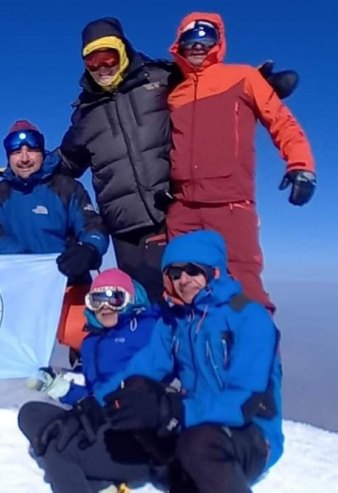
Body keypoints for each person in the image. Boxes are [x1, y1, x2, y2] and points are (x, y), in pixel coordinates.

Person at [57, 17, 300, 302]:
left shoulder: (160, 79)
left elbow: (203, 85)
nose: (103, 67)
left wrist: (256, 84)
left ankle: (239, 339)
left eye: (108, 57)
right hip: (125, 230)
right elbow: (66, 163)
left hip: (167, 215)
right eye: (93, 61)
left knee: (193, 297)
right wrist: (26, 168)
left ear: (123, 51)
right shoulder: (85, 114)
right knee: (144, 309)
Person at [93, 230, 282, 493]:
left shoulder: (249, 316)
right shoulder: (177, 319)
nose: (183, 280)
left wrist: (176, 410)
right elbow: (140, 369)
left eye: (192, 270)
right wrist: (95, 404)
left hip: (250, 432)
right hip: (196, 424)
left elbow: (245, 400)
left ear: (214, 271)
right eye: (175, 273)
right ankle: (170, 472)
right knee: (137, 390)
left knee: (198, 441)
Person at [166, 12, 316, 314]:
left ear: (218, 42)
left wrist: (301, 165)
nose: (197, 45)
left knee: (240, 287)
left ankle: (253, 352)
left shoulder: (243, 77)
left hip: (230, 204)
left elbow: (281, 122)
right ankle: (188, 355)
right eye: (189, 39)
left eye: (205, 37)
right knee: (178, 285)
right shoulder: (175, 94)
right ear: (178, 45)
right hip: (183, 207)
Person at [18, 268, 160, 493]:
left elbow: (140, 379)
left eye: (114, 298)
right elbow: (91, 392)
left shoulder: (147, 328)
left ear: (131, 300)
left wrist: (93, 406)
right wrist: (61, 388)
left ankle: (92, 480)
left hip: (134, 433)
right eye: (97, 300)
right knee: (30, 413)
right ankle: (100, 482)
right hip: (100, 422)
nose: (105, 306)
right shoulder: (91, 343)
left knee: (57, 449)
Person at [0, 120, 108, 285]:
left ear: (42, 152)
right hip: (17, 285)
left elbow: (93, 226)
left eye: (32, 150)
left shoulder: (67, 188)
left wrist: (90, 248)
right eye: (17, 151)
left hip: (66, 283)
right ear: (9, 157)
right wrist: (31, 264)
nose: (24, 158)